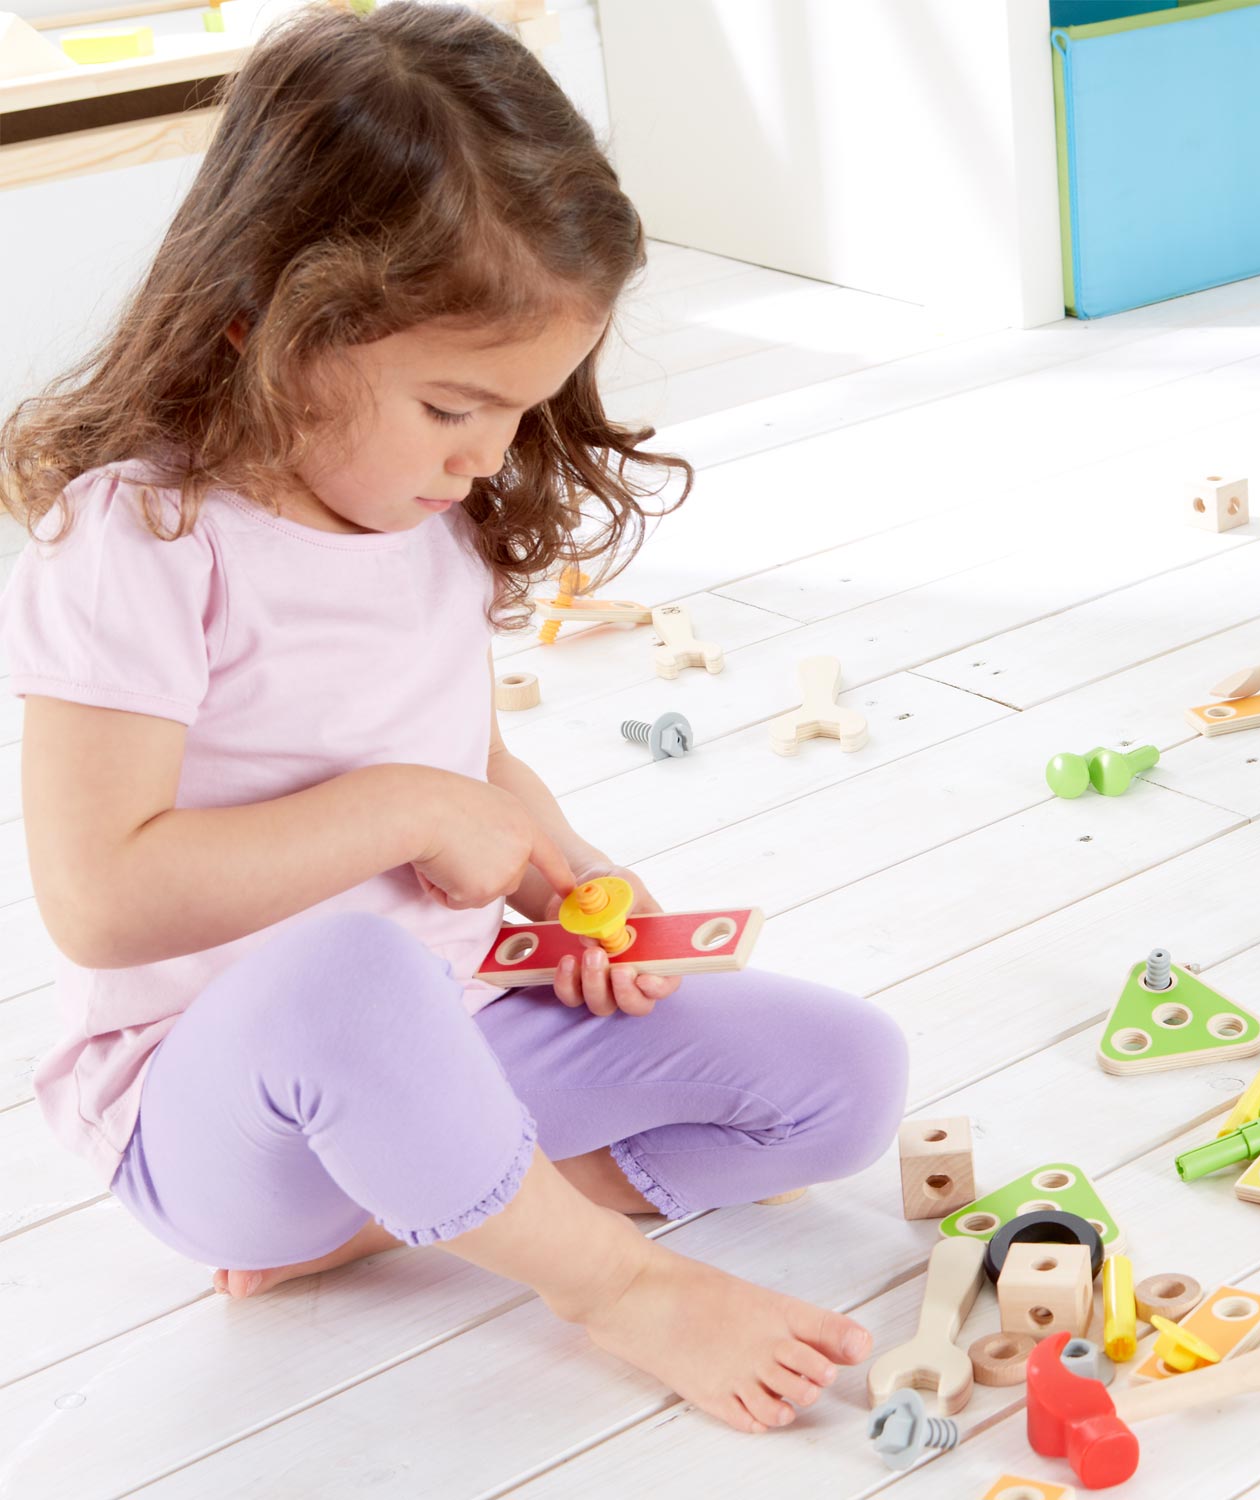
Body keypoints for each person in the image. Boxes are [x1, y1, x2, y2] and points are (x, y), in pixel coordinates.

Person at [0, 3, 907, 1436]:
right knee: (349, 973)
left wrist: (571, 881)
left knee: (844, 1082)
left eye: (520, 411)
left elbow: (473, 760)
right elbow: (100, 902)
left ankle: (411, 1207)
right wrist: (413, 813)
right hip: (221, 1108)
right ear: (269, 324)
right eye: (449, 407)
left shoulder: (432, 519)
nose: (488, 455)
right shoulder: (140, 539)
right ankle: (611, 1282)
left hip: (457, 1028)